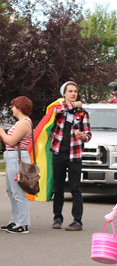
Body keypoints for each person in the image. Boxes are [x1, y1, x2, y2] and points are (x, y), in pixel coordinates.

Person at [47, 81, 91, 231]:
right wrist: (73, 105)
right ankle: (57, 217)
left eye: (75, 91)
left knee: (75, 188)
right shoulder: (60, 109)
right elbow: (54, 112)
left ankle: (77, 221)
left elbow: (88, 134)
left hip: (75, 155)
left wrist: (83, 137)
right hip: (59, 153)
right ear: (64, 94)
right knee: (58, 187)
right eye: (70, 91)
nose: (73, 94)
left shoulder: (83, 113)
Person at [0, 96, 33, 234]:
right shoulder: (21, 122)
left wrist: (1, 132)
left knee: (18, 191)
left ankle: (23, 223)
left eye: (14, 106)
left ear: (20, 108)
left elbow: (11, 141)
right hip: (13, 157)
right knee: (11, 191)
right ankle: (15, 220)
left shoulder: (24, 123)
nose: (12, 108)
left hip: (17, 158)